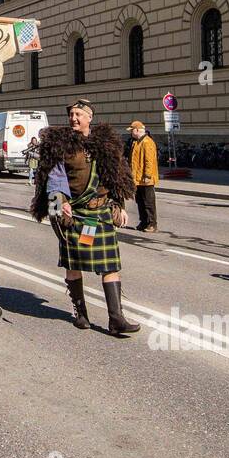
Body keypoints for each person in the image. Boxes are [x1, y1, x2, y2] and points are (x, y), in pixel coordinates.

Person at [32, 98, 141, 336]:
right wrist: (59, 204)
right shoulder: (61, 146)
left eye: (79, 114)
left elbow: (116, 176)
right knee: (75, 263)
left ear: (89, 117)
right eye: (71, 114)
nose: (74, 118)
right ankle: (80, 313)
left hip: (98, 215)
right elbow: (54, 179)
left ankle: (116, 319)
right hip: (77, 215)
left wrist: (119, 204)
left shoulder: (105, 144)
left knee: (109, 265)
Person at [129, 120, 159, 232]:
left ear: (137, 130)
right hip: (137, 179)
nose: (131, 132)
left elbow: (149, 161)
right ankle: (143, 222)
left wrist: (147, 175)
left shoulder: (147, 142)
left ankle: (152, 224)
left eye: (132, 130)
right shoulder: (136, 142)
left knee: (149, 202)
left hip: (146, 179)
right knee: (140, 201)